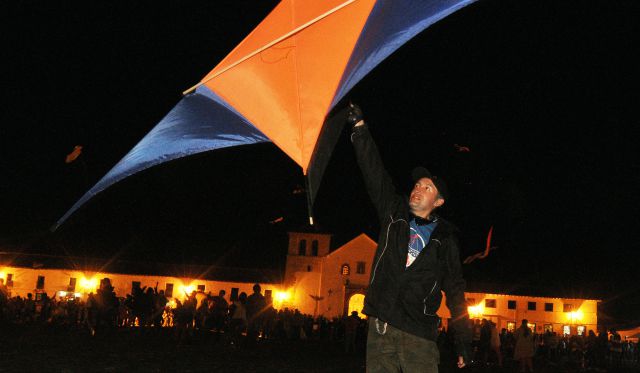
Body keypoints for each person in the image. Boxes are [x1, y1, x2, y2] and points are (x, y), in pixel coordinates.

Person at [348, 104, 470, 372]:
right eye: (417, 184)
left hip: (419, 333)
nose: (418, 189)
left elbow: (455, 291)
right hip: (381, 326)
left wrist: (463, 341)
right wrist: (359, 129)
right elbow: (374, 173)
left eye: (427, 187)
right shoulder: (394, 213)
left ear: (438, 201)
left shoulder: (445, 239)